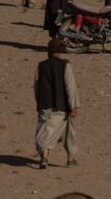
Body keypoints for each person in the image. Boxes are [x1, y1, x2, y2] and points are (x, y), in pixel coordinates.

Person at [35, 38, 81, 169]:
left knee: (45, 130)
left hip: (45, 105)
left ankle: (45, 156)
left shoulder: (41, 65)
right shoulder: (65, 65)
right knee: (69, 132)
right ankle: (69, 159)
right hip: (62, 107)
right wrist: (74, 106)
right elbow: (70, 86)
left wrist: (39, 103)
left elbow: (36, 86)